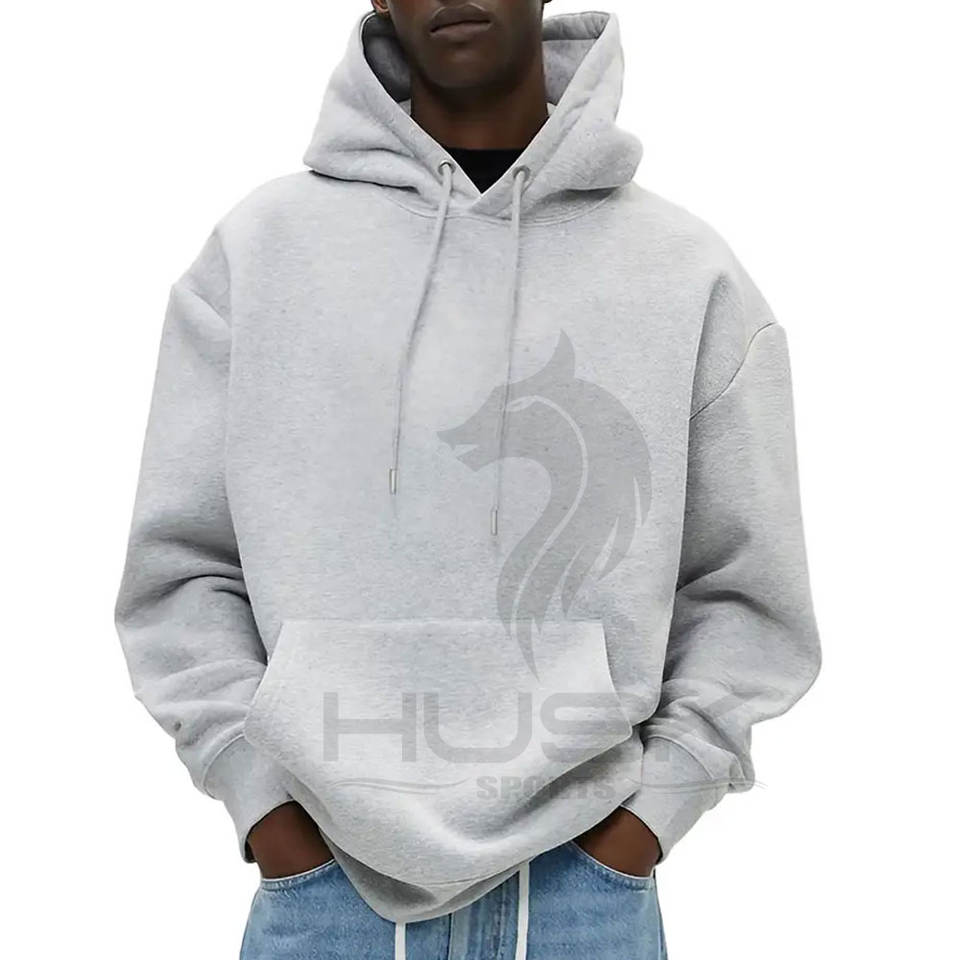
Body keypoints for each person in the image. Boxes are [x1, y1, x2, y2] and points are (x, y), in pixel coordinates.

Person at [115, 2, 821, 958]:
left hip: (585, 891)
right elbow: (181, 569)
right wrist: (263, 805)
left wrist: (649, 820)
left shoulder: (684, 271)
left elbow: (746, 594)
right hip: (323, 890)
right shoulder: (262, 252)